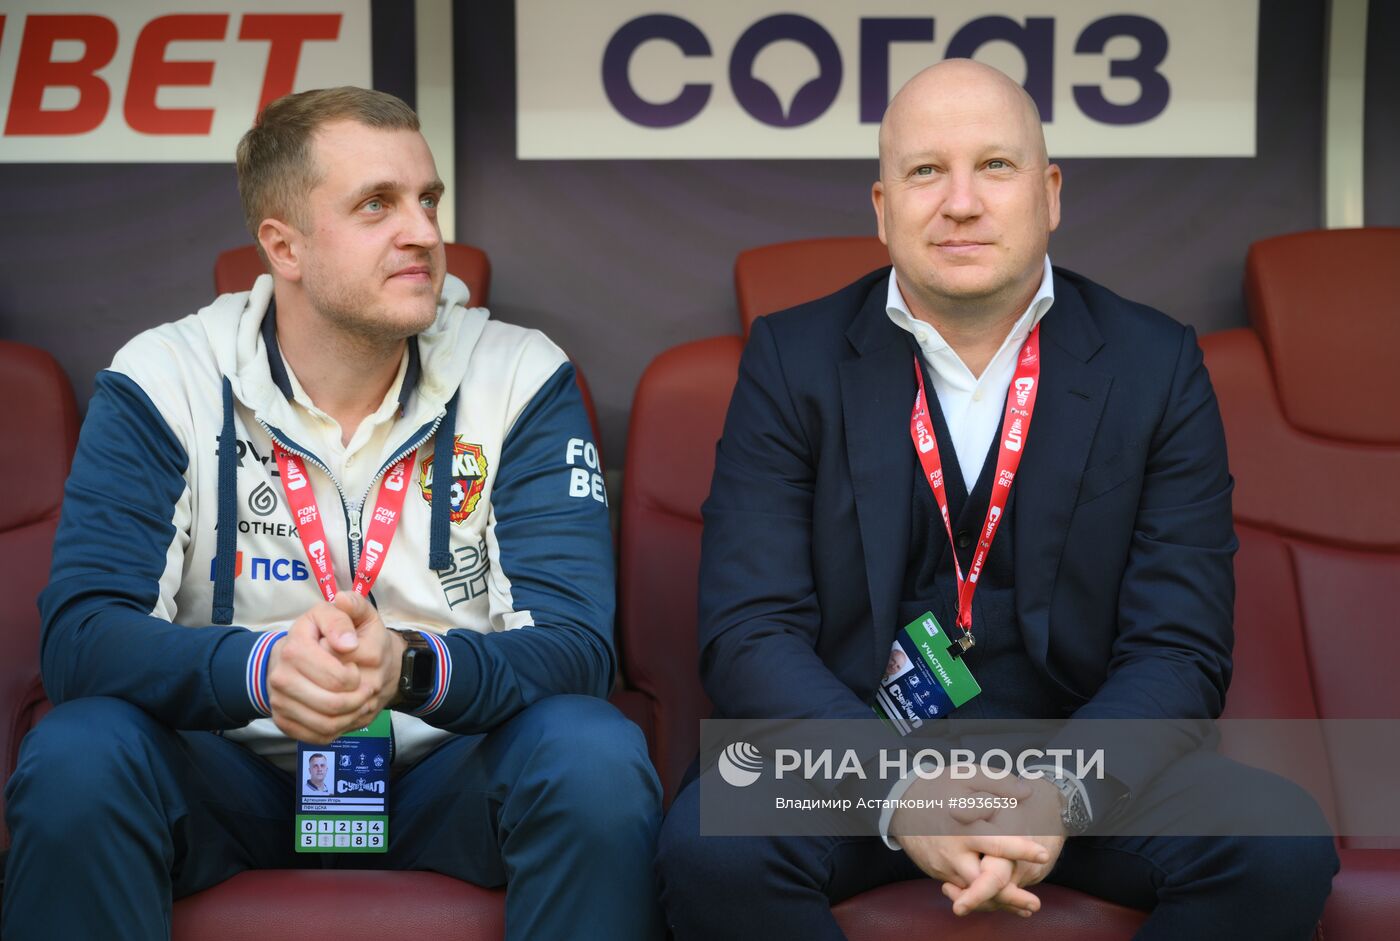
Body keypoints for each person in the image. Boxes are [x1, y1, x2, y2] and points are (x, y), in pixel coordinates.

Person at [656, 60, 1337, 939]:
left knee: (1279, 842)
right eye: (926, 171)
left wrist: (1060, 792)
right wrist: (904, 790)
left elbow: (1180, 646)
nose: (961, 202)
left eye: (996, 166)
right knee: (712, 844)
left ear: (1049, 194)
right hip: (850, 762)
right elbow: (749, 632)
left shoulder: (1155, 366)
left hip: (1079, 762)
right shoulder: (792, 361)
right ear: (882, 207)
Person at [3, 86, 661, 941]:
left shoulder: (519, 375)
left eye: (427, 199)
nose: (423, 231)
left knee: (593, 753)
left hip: (446, 773)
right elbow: (83, 636)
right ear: (284, 245)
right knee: (78, 753)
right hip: (229, 773)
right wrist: (259, 668)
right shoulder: (165, 377)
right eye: (377, 204)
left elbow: (576, 648)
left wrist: (411, 669)